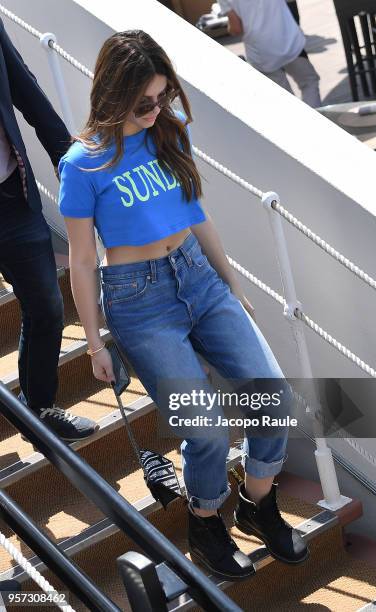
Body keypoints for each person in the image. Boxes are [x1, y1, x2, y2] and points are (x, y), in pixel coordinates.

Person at [58, 29, 309, 580]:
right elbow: (80, 260)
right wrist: (94, 341)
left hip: (198, 276)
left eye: (163, 97)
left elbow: (198, 215)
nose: (155, 110)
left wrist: (231, 285)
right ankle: (205, 523)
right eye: (143, 101)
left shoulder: (169, 134)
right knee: (208, 429)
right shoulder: (83, 163)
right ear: (113, 92)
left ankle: (257, 503)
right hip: (138, 301)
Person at [0, 18, 98, 441]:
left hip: (10, 196)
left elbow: (27, 91)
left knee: (46, 305)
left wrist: (71, 165)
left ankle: (38, 408)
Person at [218, 0, 322, 108]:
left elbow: (236, 28)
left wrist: (229, 27)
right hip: (288, 38)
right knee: (309, 82)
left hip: (261, 50)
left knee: (285, 101)